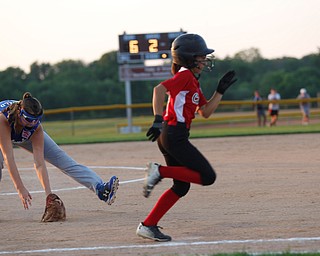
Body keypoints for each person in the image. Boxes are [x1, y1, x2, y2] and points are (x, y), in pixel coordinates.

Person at [136, 33, 237, 242]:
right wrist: (156, 118)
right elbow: (159, 90)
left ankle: (148, 225)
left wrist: (219, 91)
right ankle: (159, 171)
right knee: (208, 177)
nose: (204, 60)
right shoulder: (183, 75)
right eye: (200, 57)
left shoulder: (192, 81)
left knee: (181, 186)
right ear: (189, 58)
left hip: (171, 135)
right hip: (173, 134)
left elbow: (205, 111)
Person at [0, 92, 119, 210]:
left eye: (36, 120)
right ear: (19, 112)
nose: (32, 123)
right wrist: (20, 188)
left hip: (21, 132)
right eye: (28, 119)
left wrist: (49, 195)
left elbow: (40, 164)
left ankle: (101, 189)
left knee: (61, 158)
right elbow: (8, 158)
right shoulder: (3, 119)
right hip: (3, 129)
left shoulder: (35, 127)